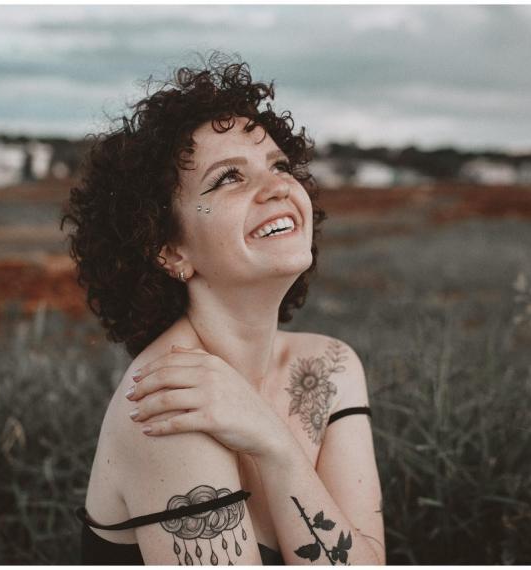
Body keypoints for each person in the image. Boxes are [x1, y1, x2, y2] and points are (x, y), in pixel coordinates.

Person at [61, 52, 384, 565]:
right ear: (168, 249)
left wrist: (273, 445)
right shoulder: (169, 405)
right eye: (228, 178)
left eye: (279, 166)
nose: (279, 186)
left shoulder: (330, 366)